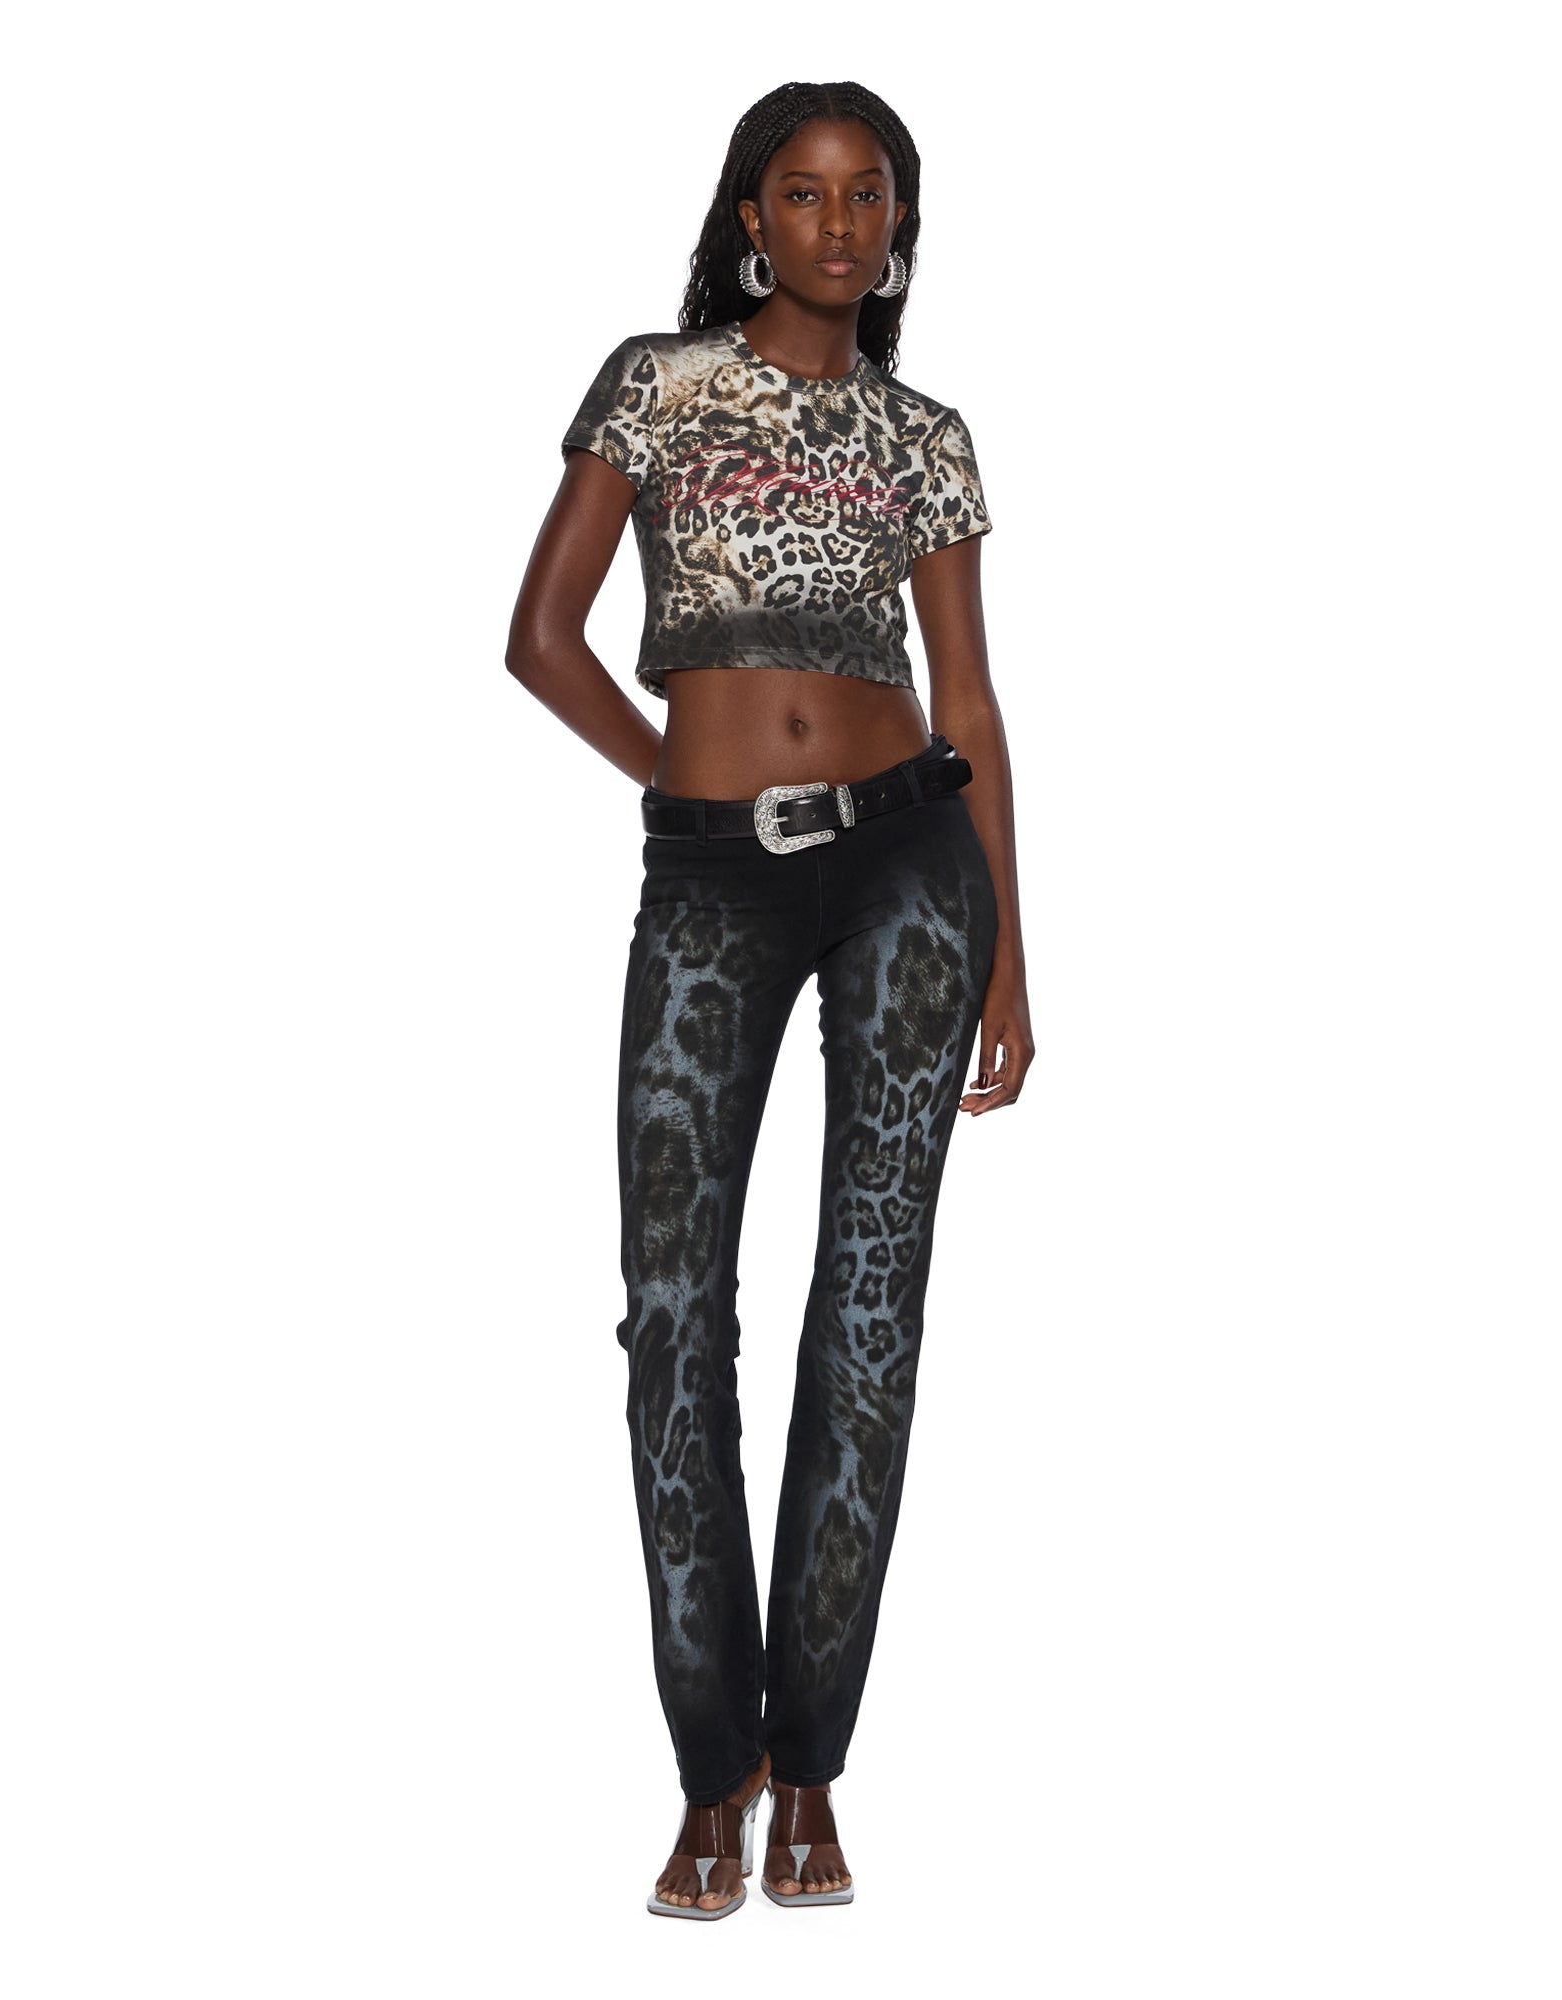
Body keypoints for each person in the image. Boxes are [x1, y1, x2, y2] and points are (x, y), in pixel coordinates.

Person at [507, 79, 1033, 1920]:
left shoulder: (925, 434)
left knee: (870, 1319)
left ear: (899, 227)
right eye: (801, 195)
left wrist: (1012, 950)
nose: (836, 224)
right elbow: (539, 636)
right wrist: (685, 777)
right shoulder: (656, 384)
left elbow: (970, 706)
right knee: (672, 1318)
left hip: (912, 871)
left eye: (867, 196)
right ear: (750, 215)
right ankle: (707, 1767)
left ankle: (808, 1766)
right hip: (712, 879)